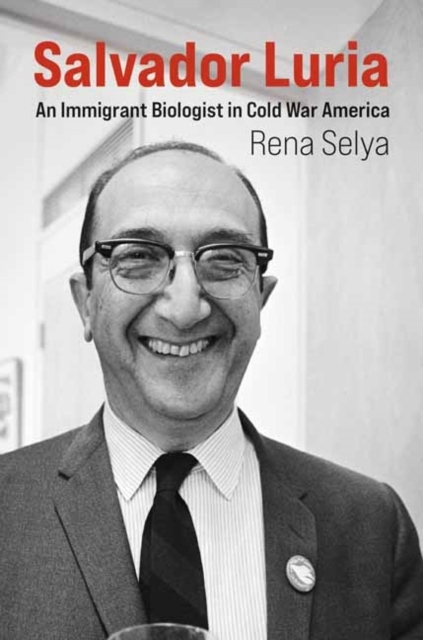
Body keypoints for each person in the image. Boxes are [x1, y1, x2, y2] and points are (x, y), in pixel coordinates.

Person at [0, 141, 422, 640]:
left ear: (261, 299)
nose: (185, 308)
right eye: (138, 257)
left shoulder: (370, 525)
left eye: (224, 260)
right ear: (85, 302)